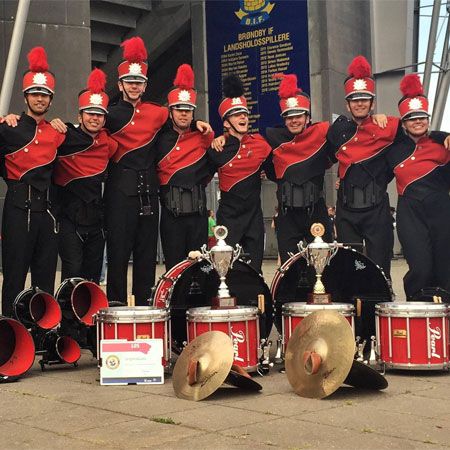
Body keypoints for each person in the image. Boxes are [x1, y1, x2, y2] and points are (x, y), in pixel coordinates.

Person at [102, 37, 211, 305]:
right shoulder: (109, 114)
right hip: (118, 194)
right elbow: (87, 130)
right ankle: (116, 309)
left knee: (146, 257)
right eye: (129, 81)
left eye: (139, 82)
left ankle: (145, 309)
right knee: (117, 256)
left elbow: (179, 120)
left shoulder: (157, 113)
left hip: (149, 195)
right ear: (120, 85)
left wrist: (197, 123)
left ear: (145, 85)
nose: (134, 86)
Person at [0, 47, 65, 317]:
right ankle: (9, 337)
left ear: (51, 100)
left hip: (47, 214)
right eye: (35, 94)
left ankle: (41, 335)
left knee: (45, 278)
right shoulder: (8, 128)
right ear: (25, 97)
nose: (40, 99)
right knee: (14, 277)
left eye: (45, 95)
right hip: (17, 210)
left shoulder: (58, 131)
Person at [326, 56, 401, 280]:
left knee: (381, 271)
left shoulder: (387, 127)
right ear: (347, 104)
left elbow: (417, 133)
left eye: (365, 99)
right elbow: (323, 157)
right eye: (355, 100)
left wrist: (442, 136)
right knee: (350, 270)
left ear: (372, 103)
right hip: (347, 211)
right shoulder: (337, 131)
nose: (360, 104)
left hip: (377, 209)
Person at [386, 74, 450, 299]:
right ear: (404, 123)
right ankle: (417, 309)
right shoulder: (394, 150)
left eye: (422, 117)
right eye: (412, 118)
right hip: (410, 214)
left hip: (442, 212)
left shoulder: (444, 143)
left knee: (445, 268)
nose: (418, 121)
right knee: (420, 268)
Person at [53, 69, 117, 283]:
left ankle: (89, 317)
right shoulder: (64, 136)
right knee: (72, 276)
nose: (94, 118)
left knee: (92, 281)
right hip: (69, 219)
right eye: (89, 113)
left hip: (96, 221)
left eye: (99, 115)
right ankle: (69, 317)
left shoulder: (109, 144)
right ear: (80, 116)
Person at [264, 73, 333, 263]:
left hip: (316, 211)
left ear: (307, 118)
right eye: (289, 117)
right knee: (289, 268)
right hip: (287, 215)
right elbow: (270, 170)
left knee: (324, 264)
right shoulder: (273, 138)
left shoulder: (322, 136)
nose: (294, 120)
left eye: (298, 116)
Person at [208, 74, 272, 273]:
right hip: (228, 217)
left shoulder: (261, 144)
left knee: (256, 271)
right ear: (226, 122)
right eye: (236, 114)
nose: (243, 117)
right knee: (226, 271)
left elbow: (277, 171)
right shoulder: (217, 148)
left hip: (254, 216)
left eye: (244, 113)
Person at [156, 64, 214, 270]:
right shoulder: (160, 138)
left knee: (200, 267)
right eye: (179, 109)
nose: (183, 114)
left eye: (188, 110)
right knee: (174, 268)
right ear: (170, 112)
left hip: (198, 214)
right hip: (172, 214)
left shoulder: (204, 136)